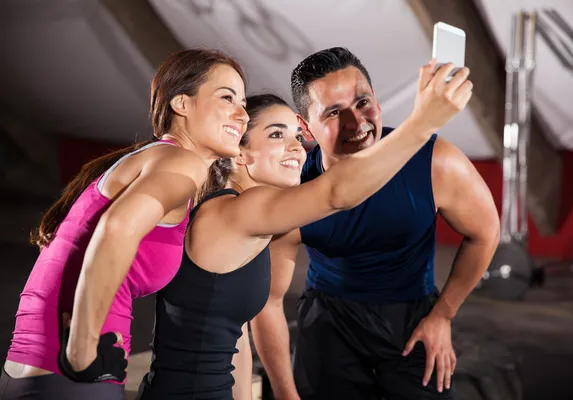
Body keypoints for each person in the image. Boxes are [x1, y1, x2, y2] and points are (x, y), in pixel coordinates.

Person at [136, 59, 472, 400]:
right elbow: (337, 193)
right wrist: (423, 121)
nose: (297, 148)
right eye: (276, 135)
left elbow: (234, 343)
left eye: (296, 136)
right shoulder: (240, 211)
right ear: (240, 154)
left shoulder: (247, 215)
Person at [251, 47, 500, 400]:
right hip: (327, 321)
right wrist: (285, 393)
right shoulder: (291, 188)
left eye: (362, 102)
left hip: (412, 319)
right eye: (334, 112)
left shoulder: (435, 161)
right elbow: (270, 303)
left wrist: (443, 315)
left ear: (378, 101)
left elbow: (485, 231)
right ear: (305, 127)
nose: (357, 123)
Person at [0, 48, 250, 399]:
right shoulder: (181, 163)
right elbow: (117, 229)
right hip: (70, 377)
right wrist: (82, 354)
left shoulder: (159, 160)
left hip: (35, 371)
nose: (243, 115)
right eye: (228, 98)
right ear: (182, 104)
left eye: (243, 102)